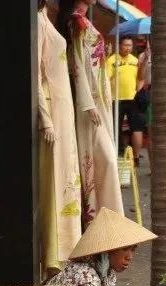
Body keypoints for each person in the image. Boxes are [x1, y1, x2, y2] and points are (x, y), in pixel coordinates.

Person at [56, 0, 124, 224]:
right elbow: (76, 63)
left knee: (106, 157)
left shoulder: (83, 21)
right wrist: (87, 103)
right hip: (90, 101)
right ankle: (100, 217)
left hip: (100, 97)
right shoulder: (77, 22)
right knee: (103, 159)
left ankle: (107, 219)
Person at [37, 0, 81, 275]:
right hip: (53, 108)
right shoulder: (37, 23)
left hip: (63, 109)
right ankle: (54, 254)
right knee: (55, 180)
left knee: (67, 176)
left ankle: (67, 248)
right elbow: (35, 75)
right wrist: (45, 120)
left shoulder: (45, 18)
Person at [106, 37, 145, 165]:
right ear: (119, 45)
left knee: (136, 127)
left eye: (130, 45)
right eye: (125, 45)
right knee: (116, 128)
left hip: (132, 98)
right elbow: (105, 78)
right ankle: (117, 153)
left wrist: (138, 88)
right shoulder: (111, 60)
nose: (128, 48)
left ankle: (136, 157)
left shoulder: (135, 60)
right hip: (115, 99)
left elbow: (141, 77)